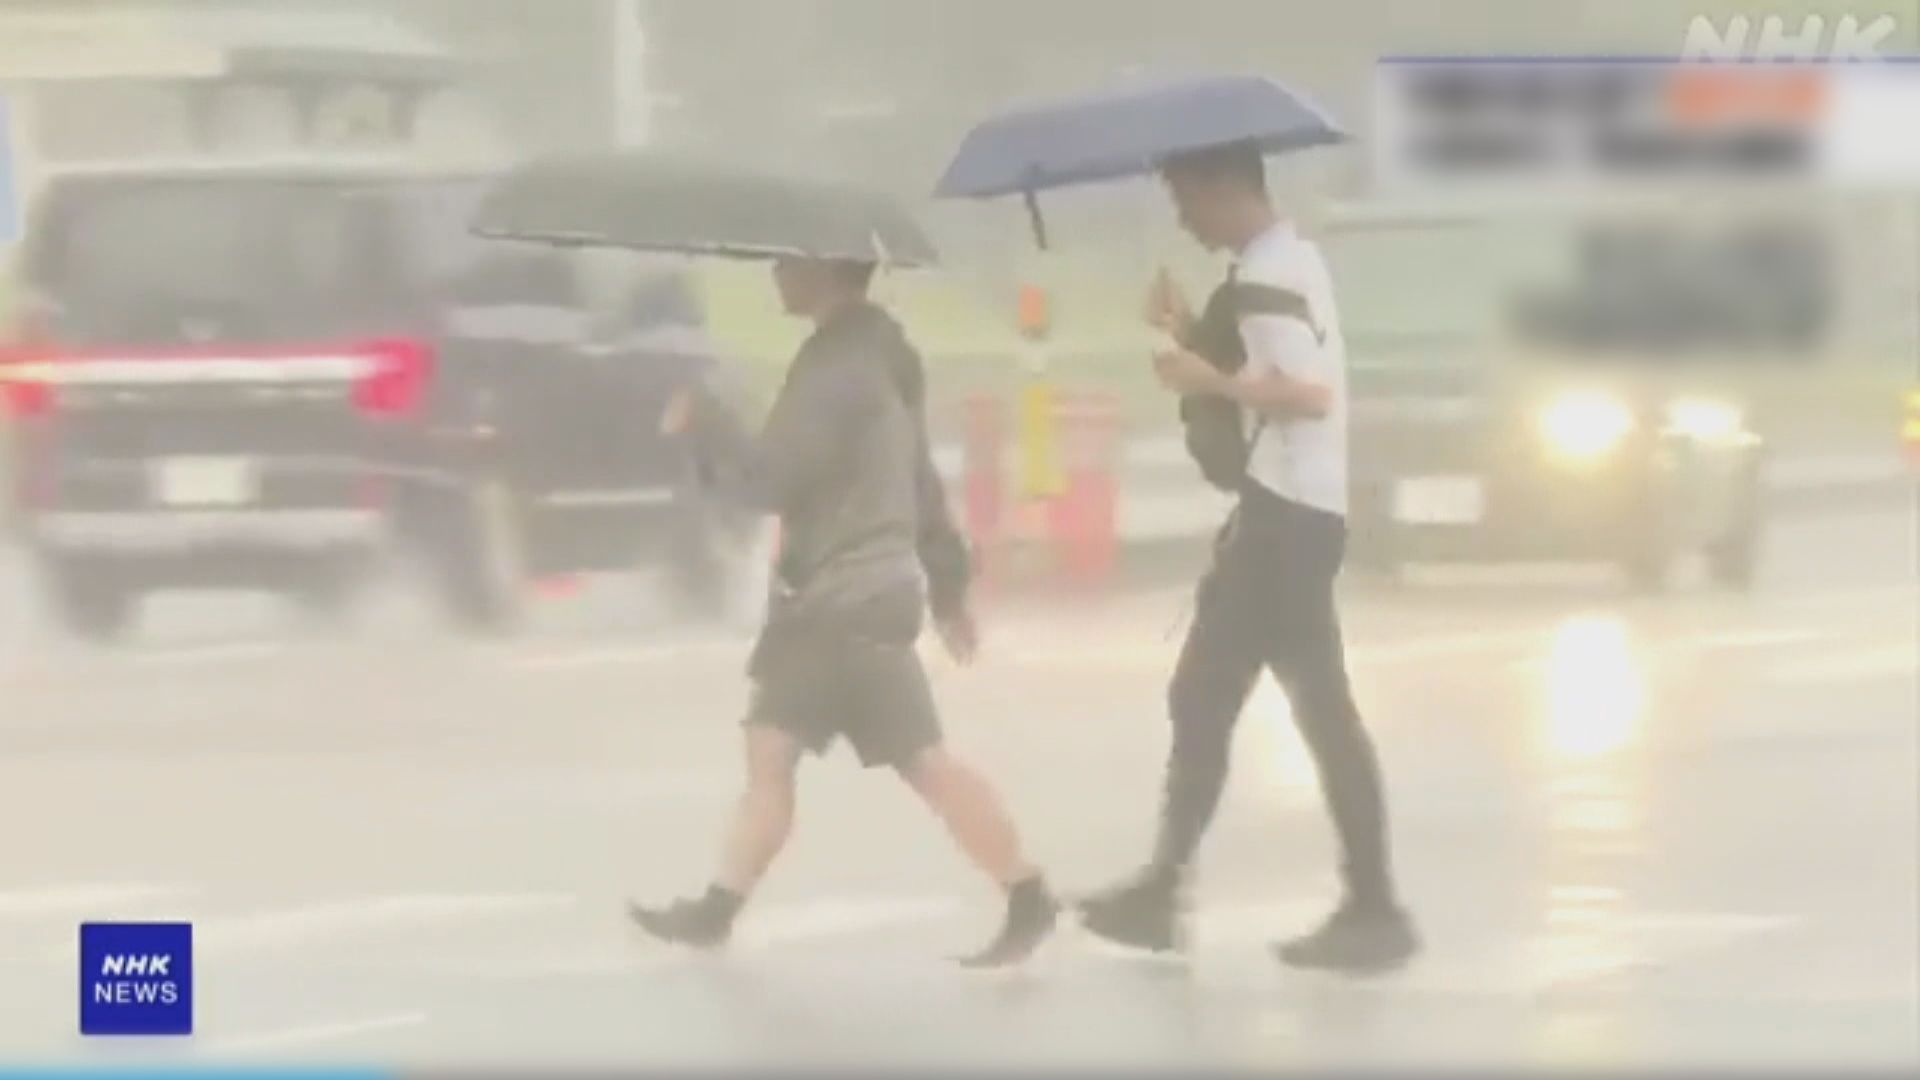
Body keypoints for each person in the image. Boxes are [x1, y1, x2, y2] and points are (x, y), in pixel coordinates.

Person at [626, 254, 1060, 968]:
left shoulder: (836, 372)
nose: (775, 273)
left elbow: (771, 480)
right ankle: (718, 908)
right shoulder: (881, 358)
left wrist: (704, 422)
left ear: (823, 270)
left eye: (787, 262)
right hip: (864, 593)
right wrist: (947, 585)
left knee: (890, 760)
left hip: (839, 598)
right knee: (786, 749)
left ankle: (1027, 893)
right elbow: (920, 481)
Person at [1076, 141, 1419, 974]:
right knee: (1244, 698)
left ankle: (1356, 907)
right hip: (1293, 516)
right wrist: (1187, 331)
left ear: (1223, 187)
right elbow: (1274, 369)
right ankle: (1176, 890)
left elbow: (1305, 394)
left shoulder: (1267, 276)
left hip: (1285, 520)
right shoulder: (1286, 260)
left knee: (1262, 702)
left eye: (1186, 198)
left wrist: (1206, 377)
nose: (1183, 218)